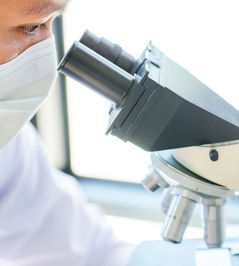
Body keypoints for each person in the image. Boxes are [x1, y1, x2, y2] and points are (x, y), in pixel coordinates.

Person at [0, 0, 135, 265]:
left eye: (52, 22)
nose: (45, 56)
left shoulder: (8, 150)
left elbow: (84, 251)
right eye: (32, 26)